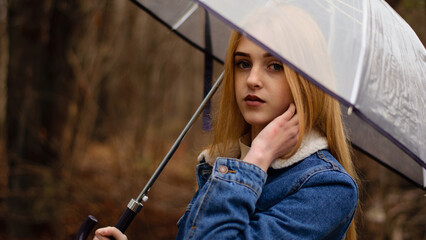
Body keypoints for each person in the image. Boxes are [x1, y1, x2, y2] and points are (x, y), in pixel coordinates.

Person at [93, 31, 359, 240]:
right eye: (243, 63)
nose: (252, 79)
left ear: (306, 82)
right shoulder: (220, 162)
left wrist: (258, 158)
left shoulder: (328, 188)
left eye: (275, 66)